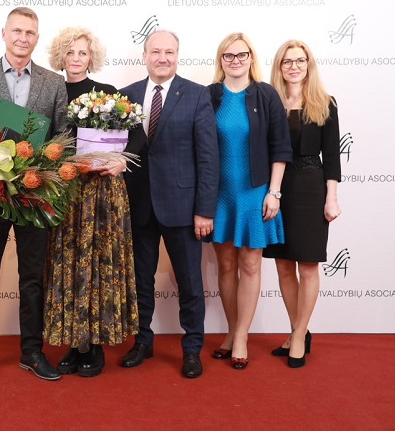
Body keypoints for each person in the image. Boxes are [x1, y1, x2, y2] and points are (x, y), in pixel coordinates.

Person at [0, 7, 69, 385]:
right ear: (3, 33)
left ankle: (32, 352)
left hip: (34, 199)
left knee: (32, 279)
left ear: (37, 38)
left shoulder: (53, 83)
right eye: (17, 31)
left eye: (30, 32)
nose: (23, 38)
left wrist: (45, 173)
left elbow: (61, 139)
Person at [120, 30, 219, 379]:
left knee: (189, 283)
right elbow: (117, 150)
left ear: (178, 55)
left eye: (169, 52)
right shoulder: (125, 97)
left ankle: (192, 349)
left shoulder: (196, 94)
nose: (162, 58)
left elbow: (208, 157)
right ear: (144, 56)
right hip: (138, 206)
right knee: (140, 280)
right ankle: (142, 342)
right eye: (156, 51)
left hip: (183, 207)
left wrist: (205, 210)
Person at [43, 26, 138, 378]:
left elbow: (137, 137)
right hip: (64, 192)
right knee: (67, 265)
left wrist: (121, 160)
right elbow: (38, 139)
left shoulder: (107, 93)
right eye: (70, 52)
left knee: (99, 265)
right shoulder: (49, 91)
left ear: (91, 57)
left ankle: (95, 344)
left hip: (102, 194)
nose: (76, 58)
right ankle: (73, 342)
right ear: (60, 56)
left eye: (82, 52)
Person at [207, 32, 292, 370]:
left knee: (251, 265)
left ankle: (242, 335)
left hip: (255, 190)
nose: (235, 60)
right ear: (221, 60)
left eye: (241, 55)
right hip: (218, 193)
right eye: (228, 55)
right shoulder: (209, 95)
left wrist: (274, 192)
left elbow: (280, 147)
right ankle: (231, 331)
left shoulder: (266, 94)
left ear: (251, 58)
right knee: (226, 265)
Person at [264, 40, 341, 368]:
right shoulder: (269, 103)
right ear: (279, 67)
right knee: (283, 265)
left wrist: (331, 197)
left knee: (308, 265)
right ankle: (299, 330)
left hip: (311, 188)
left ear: (308, 65)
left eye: (300, 60)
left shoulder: (325, 103)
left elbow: (332, 156)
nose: (294, 66)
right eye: (287, 61)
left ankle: (297, 335)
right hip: (277, 187)